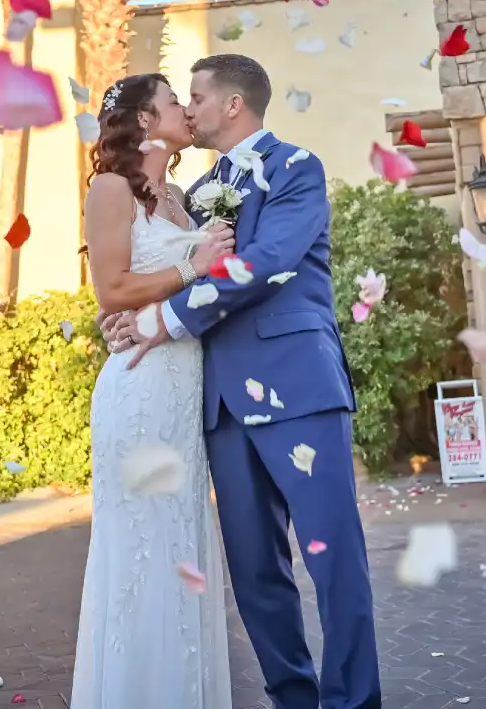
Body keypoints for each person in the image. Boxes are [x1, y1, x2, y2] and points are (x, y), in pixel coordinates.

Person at [105, 54, 382, 709]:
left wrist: (164, 320)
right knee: (256, 576)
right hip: (221, 408)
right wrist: (129, 319)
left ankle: (352, 703)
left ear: (232, 105)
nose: (188, 108)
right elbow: (165, 265)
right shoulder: (196, 196)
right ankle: (295, 700)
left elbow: (267, 264)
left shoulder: (295, 168)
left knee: (333, 560)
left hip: (299, 391)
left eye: (195, 97)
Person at [71, 73, 237, 709]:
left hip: (183, 390)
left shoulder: (180, 200)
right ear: (144, 120)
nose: (186, 112)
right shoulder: (111, 189)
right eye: (174, 103)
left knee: (182, 545)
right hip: (139, 393)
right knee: (143, 549)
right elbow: (111, 290)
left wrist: (189, 274)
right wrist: (192, 265)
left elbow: (179, 291)